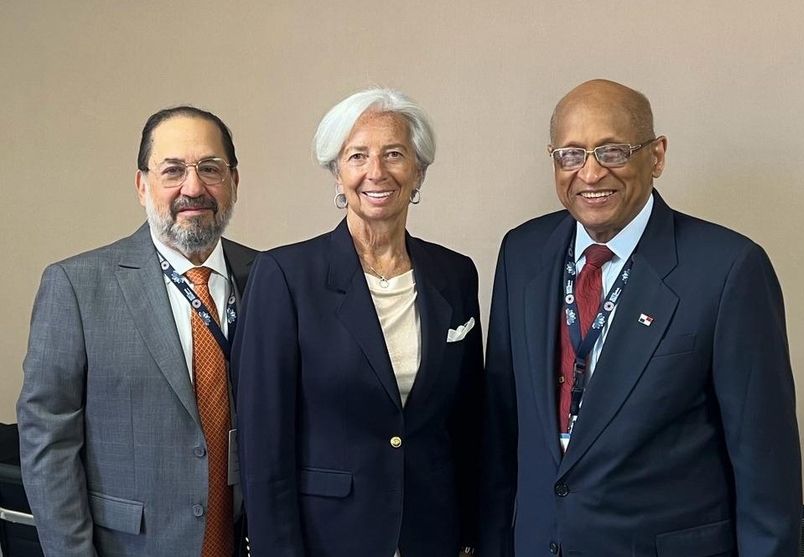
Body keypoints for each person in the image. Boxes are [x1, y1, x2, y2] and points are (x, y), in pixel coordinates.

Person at [479, 79, 801, 556]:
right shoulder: (522, 253)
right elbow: (501, 431)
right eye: (571, 154)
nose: (590, 174)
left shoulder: (728, 269)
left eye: (611, 151)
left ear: (657, 156)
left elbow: (765, 466)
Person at [232, 88, 482, 557]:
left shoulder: (455, 274)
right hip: (328, 538)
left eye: (394, 154)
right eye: (357, 156)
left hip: (432, 534)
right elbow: (263, 447)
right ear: (336, 172)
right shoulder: (285, 276)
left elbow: (467, 423)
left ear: (419, 170)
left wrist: (470, 534)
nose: (376, 172)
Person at [17, 106, 257, 557]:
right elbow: (47, 442)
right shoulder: (76, 286)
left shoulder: (269, 278)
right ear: (141, 185)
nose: (193, 187)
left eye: (210, 168)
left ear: (234, 182)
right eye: (173, 171)